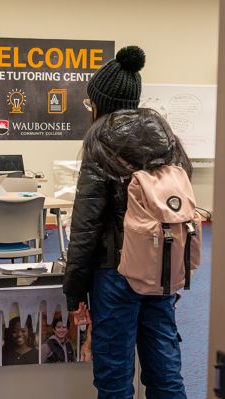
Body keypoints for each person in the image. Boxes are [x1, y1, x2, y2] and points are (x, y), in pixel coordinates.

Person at [63, 46, 192, 399]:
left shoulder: (100, 140)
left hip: (115, 271)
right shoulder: (167, 138)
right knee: (165, 370)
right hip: (162, 266)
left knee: (115, 376)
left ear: (101, 103)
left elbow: (86, 225)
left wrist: (74, 291)